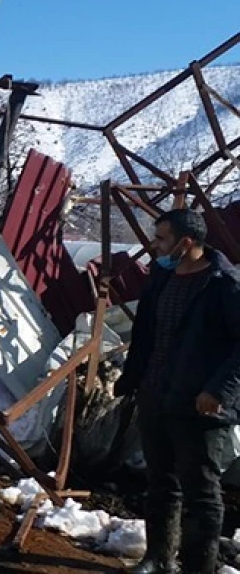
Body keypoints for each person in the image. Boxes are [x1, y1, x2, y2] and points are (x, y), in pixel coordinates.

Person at [115, 208, 240, 574]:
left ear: (186, 244)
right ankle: (158, 558)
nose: (155, 246)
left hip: (199, 405)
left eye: (162, 239)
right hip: (156, 395)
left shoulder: (224, 286)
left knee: (201, 493)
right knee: (160, 483)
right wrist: (131, 378)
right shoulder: (161, 278)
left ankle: (198, 568)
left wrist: (218, 391)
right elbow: (146, 335)